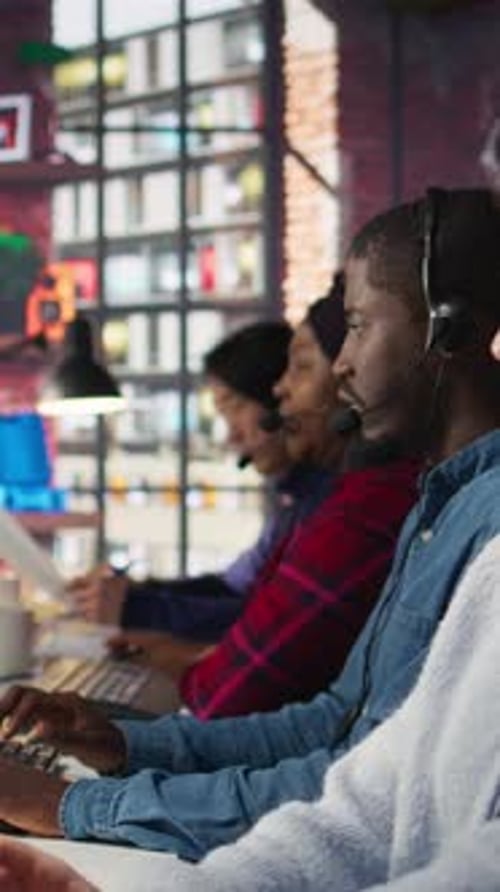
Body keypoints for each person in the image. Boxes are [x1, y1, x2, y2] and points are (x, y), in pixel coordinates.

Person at [1, 187, 498, 860]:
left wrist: (70, 805)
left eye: (357, 325)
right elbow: (331, 725)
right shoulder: (435, 509)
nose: (343, 361)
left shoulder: (482, 529)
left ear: (451, 329)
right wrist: (123, 744)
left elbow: (370, 803)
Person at [107, 283, 419, 717]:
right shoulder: (320, 503)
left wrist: (172, 648)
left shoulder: (364, 508)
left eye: (302, 367)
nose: (281, 391)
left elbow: (233, 687)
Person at [67, 320, 314, 640]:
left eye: (235, 408)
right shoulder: (293, 502)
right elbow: (233, 586)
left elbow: (270, 624)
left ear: (280, 399)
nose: (231, 437)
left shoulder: (322, 507)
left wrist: (136, 608)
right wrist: (135, 591)